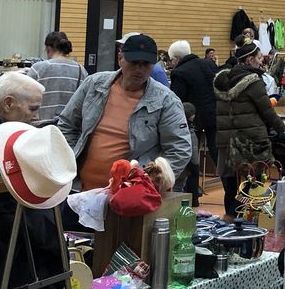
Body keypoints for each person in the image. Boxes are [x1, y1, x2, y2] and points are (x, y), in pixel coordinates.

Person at [58, 34, 190, 191]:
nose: (139, 69)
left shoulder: (166, 101)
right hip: (79, 191)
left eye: (146, 64)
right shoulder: (93, 85)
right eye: (134, 62)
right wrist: (70, 160)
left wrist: (149, 181)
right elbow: (67, 125)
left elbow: (179, 149)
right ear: (120, 58)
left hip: (130, 197)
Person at [213, 35, 285, 219]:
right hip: (250, 142)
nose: (262, 61)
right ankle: (238, 223)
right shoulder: (254, 82)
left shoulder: (223, 80)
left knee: (231, 186)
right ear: (250, 59)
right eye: (259, 57)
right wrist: (281, 128)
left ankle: (229, 223)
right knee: (249, 185)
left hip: (226, 142)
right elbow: (267, 111)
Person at [168, 39, 218, 172]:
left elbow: (177, 100)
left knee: (191, 155)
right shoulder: (209, 64)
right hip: (215, 114)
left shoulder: (179, 73)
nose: (171, 63)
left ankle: (193, 190)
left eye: (172, 59)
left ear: (177, 58)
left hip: (193, 119)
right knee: (217, 154)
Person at [27, 32, 86, 122]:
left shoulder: (38, 68)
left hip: (40, 124)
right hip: (68, 127)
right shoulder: (81, 70)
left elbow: (25, 94)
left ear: (48, 48)